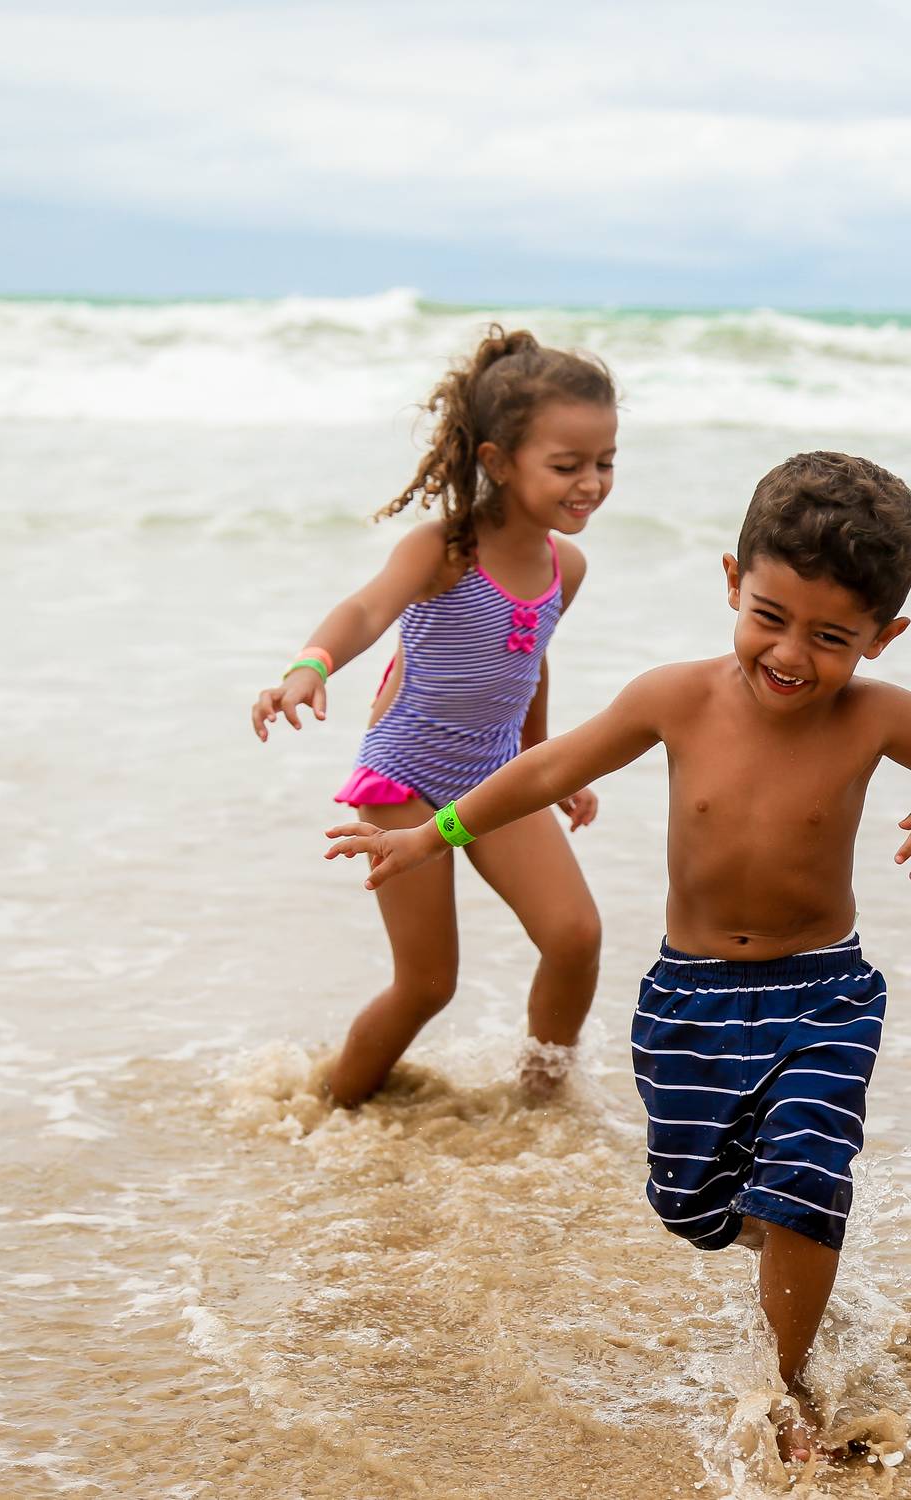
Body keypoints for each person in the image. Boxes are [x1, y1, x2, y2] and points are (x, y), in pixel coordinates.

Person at [323, 451, 911, 1462]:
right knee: (691, 1208)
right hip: (688, 998)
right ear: (731, 582)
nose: (791, 654)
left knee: (806, 1167)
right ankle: (791, 1241)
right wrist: (430, 835)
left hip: (822, 990)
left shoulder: (878, 716)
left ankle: (785, 1391)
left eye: (831, 638)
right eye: (769, 617)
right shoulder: (675, 698)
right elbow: (547, 766)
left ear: (883, 636)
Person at [252, 325, 617, 1106]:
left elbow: (528, 662)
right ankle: (333, 1110)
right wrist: (309, 666)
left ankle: (540, 1103)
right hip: (406, 779)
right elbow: (365, 608)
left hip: (498, 775)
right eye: (567, 466)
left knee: (574, 935)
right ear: (497, 461)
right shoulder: (445, 550)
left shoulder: (566, 566)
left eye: (605, 462)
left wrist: (546, 764)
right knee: (426, 984)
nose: (590, 482)